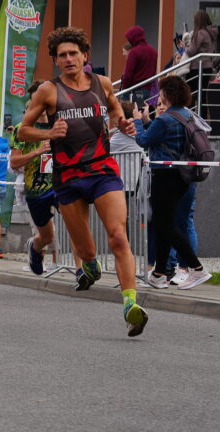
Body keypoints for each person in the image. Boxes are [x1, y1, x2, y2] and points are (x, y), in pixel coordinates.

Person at [18, 26, 148, 337]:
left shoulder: (103, 84)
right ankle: (89, 265)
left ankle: (130, 305)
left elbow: (115, 112)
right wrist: (50, 132)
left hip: (102, 170)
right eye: (62, 55)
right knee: (87, 252)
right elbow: (22, 130)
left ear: (85, 55)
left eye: (73, 53)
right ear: (55, 60)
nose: (68, 59)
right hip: (68, 178)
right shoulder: (48, 91)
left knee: (118, 237)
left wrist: (123, 124)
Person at [135, 76, 211, 290]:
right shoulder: (187, 115)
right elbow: (163, 138)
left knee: (165, 226)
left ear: (167, 95)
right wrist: (148, 122)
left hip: (164, 176)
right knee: (165, 225)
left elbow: (143, 141)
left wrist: (138, 121)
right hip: (182, 176)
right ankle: (159, 274)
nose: (159, 97)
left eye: (161, 93)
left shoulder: (165, 119)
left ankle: (197, 268)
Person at [11, 82, 59, 276]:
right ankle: (36, 247)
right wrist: (37, 152)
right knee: (46, 235)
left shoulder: (59, 125)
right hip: (36, 189)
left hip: (61, 184)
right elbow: (14, 162)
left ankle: (81, 269)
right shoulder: (22, 129)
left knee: (75, 227)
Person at [120, 25, 158, 103]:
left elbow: (128, 74)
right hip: (149, 89)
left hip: (137, 89)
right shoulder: (153, 51)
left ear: (134, 38)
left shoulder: (134, 52)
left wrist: (125, 88)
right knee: (146, 110)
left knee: (136, 109)